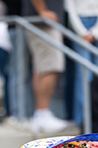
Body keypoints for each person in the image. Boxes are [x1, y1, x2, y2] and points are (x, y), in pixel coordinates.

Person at [65, 0, 98, 127]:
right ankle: (81, 120)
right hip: (81, 22)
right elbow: (70, 7)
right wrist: (81, 32)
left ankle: (95, 118)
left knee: (97, 77)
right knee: (83, 75)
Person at [23, 0, 69, 133]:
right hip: (42, 21)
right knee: (49, 67)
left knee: (44, 67)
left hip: (44, 21)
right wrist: (42, 10)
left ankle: (42, 113)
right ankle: (42, 113)